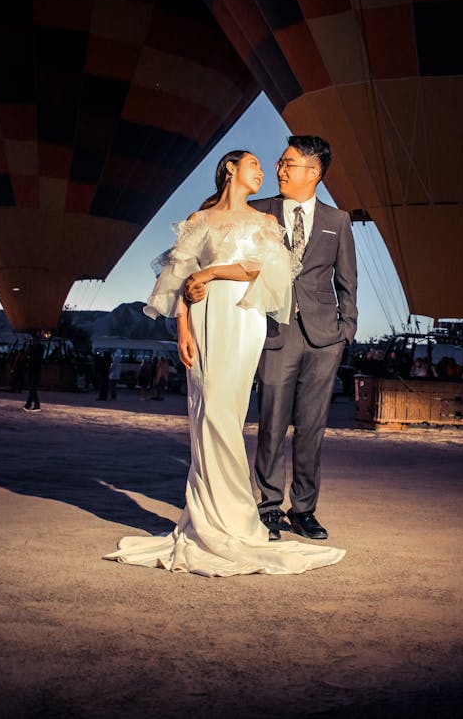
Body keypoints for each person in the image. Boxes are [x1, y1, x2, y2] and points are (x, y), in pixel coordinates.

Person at [104, 149, 345, 577]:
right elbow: (178, 276)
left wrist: (212, 274)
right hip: (203, 321)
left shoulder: (265, 222)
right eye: (254, 163)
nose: (264, 170)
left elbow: (269, 270)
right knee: (205, 413)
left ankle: (235, 519)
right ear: (231, 168)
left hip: (243, 320)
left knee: (224, 413)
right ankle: (208, 520)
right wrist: (182, 329)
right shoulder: (199, 221)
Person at [249, 135, 358, 541]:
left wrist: (345, 332)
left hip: (324, 339)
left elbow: (348, 280)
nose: (279, 169)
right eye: (279, 162)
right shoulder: (258, 212)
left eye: (288, 163)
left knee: (312, 428)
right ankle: (269, 507)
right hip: (275, 332)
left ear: (313, 172)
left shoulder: (338, 221)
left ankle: (305, 509)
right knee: (272, 424)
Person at [22, 336, 44, 412]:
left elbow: (35, 359)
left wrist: (30, 349)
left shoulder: (39, 350)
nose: (33, 342)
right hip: (31, 370)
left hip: (35, 371)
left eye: (34, 341)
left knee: (32, 388)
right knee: (32, 389)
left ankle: (33, 405)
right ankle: (30, 405)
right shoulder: (33, 349)